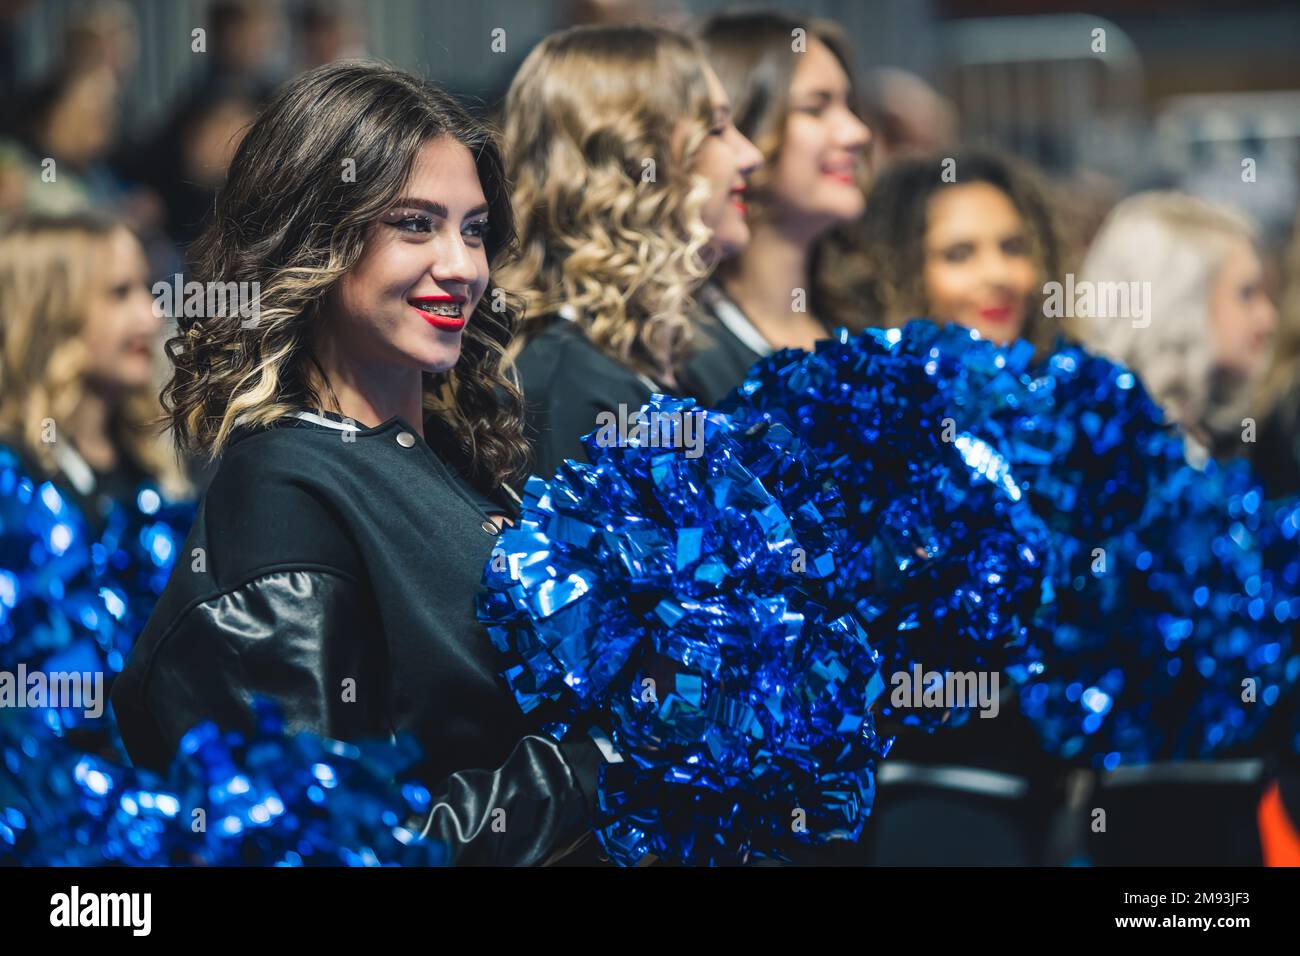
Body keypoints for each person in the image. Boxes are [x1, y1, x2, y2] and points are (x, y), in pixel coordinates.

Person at [110, 61, 601, 866]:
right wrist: (604, 765)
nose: (463, 266)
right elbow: (335, 841)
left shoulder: (456, 453)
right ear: (315, 239)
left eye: (474, 229)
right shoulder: (283, 495)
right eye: (415, 225)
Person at [498, 24, 761, 481]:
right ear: (637, 162)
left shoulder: (670, 357)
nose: (750, 155)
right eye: (717, 128)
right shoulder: (572, 383)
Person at [680, 10, 874, 408]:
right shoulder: (682, 355)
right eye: (816, 108)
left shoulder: (863, 326)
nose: (858, 132)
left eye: (850, 105)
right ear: (739, 124)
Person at [1077, 191, 1278, 464]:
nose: (1268, 318)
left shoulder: (1208, 439)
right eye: (1246, 294)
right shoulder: (1099, 447)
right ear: (1179, 300)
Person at [862, 149, 1066, 351]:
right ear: (894, 271)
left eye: (1012, 248)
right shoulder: (853, 371)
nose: (997, 274)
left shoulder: (1072, 367)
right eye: (959, 255)